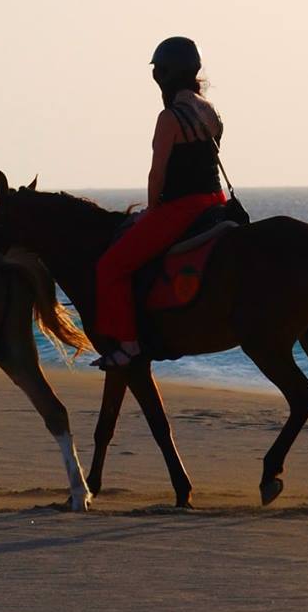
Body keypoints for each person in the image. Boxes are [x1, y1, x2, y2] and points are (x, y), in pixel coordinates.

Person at [92, 36, 228, 369]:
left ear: (164, 75)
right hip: (216, 202)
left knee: (110, 267)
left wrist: (152, 213)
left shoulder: (169, 119)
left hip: (182, 208)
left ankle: (128, 344)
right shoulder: (210, 110)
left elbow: (158, 176)